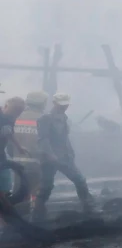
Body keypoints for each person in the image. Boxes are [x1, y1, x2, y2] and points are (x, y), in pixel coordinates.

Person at [34, 92, 93, 221]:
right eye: (61, 105)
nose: (64, 107)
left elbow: (65, 138)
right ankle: (37, 214)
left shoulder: (64, 118)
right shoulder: (45, 119)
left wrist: (70, 153)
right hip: (49, 159)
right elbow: (43, 139)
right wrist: (50, 155)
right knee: (46, 186)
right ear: (54, 103)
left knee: (80, 180)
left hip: (64, 157)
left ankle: (88, 208)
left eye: (65, 105)